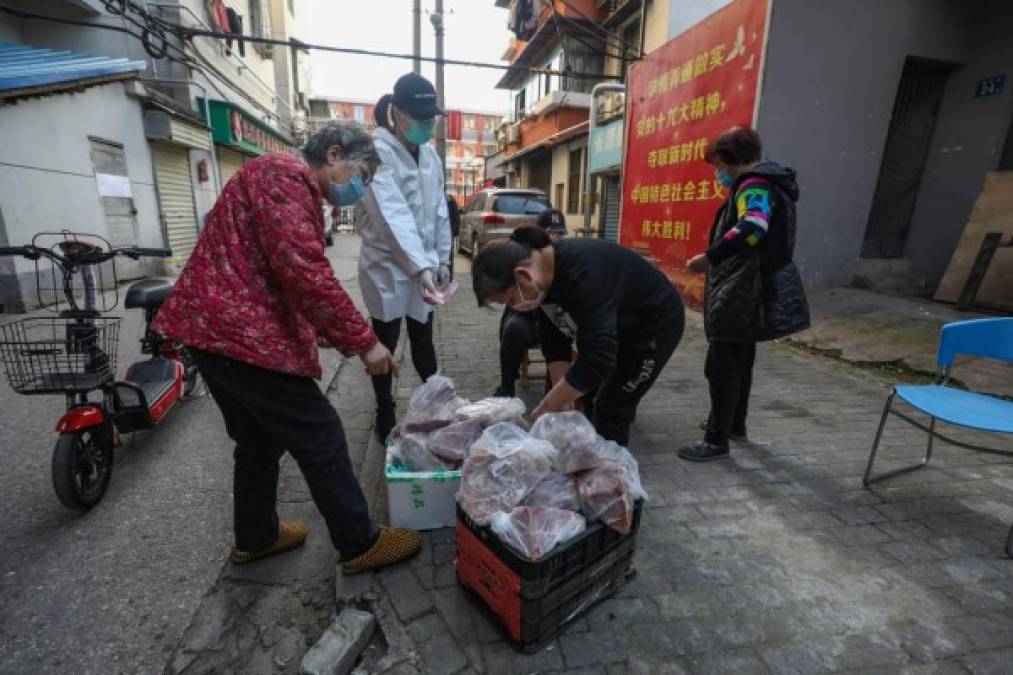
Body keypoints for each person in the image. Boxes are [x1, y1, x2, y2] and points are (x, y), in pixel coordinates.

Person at [152, 122, 421, 574]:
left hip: (216, 331)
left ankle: (256, 538)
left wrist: (323, 331)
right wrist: (365, 342)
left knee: (258, 440)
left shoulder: (277, 177)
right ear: (334, 155)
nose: (360, 187)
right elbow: (305, 272)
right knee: (320, 434)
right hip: (238, 335)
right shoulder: (284, 176)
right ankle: (360, 543)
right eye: (362, 174)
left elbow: (272, 272)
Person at [472, 227, 685, 447]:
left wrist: (550, 403)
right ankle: (594, 457)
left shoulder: (584, 272)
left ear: (523, 276)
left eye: (510, 300)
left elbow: (599, 358)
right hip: (616, 325)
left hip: (653, 326)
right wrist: (563, 400)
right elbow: (555, 341)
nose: (516, 307)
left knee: (612, 406)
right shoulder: (544, 281)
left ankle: (614, 473)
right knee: (584, 395)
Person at [678, 126, 809, 462]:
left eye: (718, 165)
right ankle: (733, 425)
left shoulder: (754, 186)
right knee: (740, 361)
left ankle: (715, 440)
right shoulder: (769, 184)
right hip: (749, 287)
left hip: (742, 289)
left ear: (732, 160)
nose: (717, 173)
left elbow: (753, 227)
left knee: (721, 365)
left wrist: (709, 257)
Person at [355, 73, 452, 443]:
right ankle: (385, 410)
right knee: (386, 343)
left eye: (431, 118)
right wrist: (420, 266)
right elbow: (390, 215)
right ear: (396, 113)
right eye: (421, 118)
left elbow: (439, 209)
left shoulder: (429, 154)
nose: (427, 125)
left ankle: (434, 405)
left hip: (423, 264)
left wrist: (441, 258)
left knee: (424, 339)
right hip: (387, 268)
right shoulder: (375, 153)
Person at [495, 208, 567, 398]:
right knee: (514, 329)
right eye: (550, 233)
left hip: (560, 319)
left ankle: (558, 392)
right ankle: (507, 386)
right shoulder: (525, 256)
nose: (555, 237)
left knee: (564, 338)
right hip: (530, 317)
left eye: (560, 233)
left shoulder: (567, 257)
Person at [446, 193, 461, 280]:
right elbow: (456, 216)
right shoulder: (449, 199)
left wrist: (454, 231)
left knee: (448, 256)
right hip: (448, 232)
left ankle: (448, 277)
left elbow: (456, 216)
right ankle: (449, 277)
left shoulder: (449, 199)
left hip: (448, 232)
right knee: (448, 256)